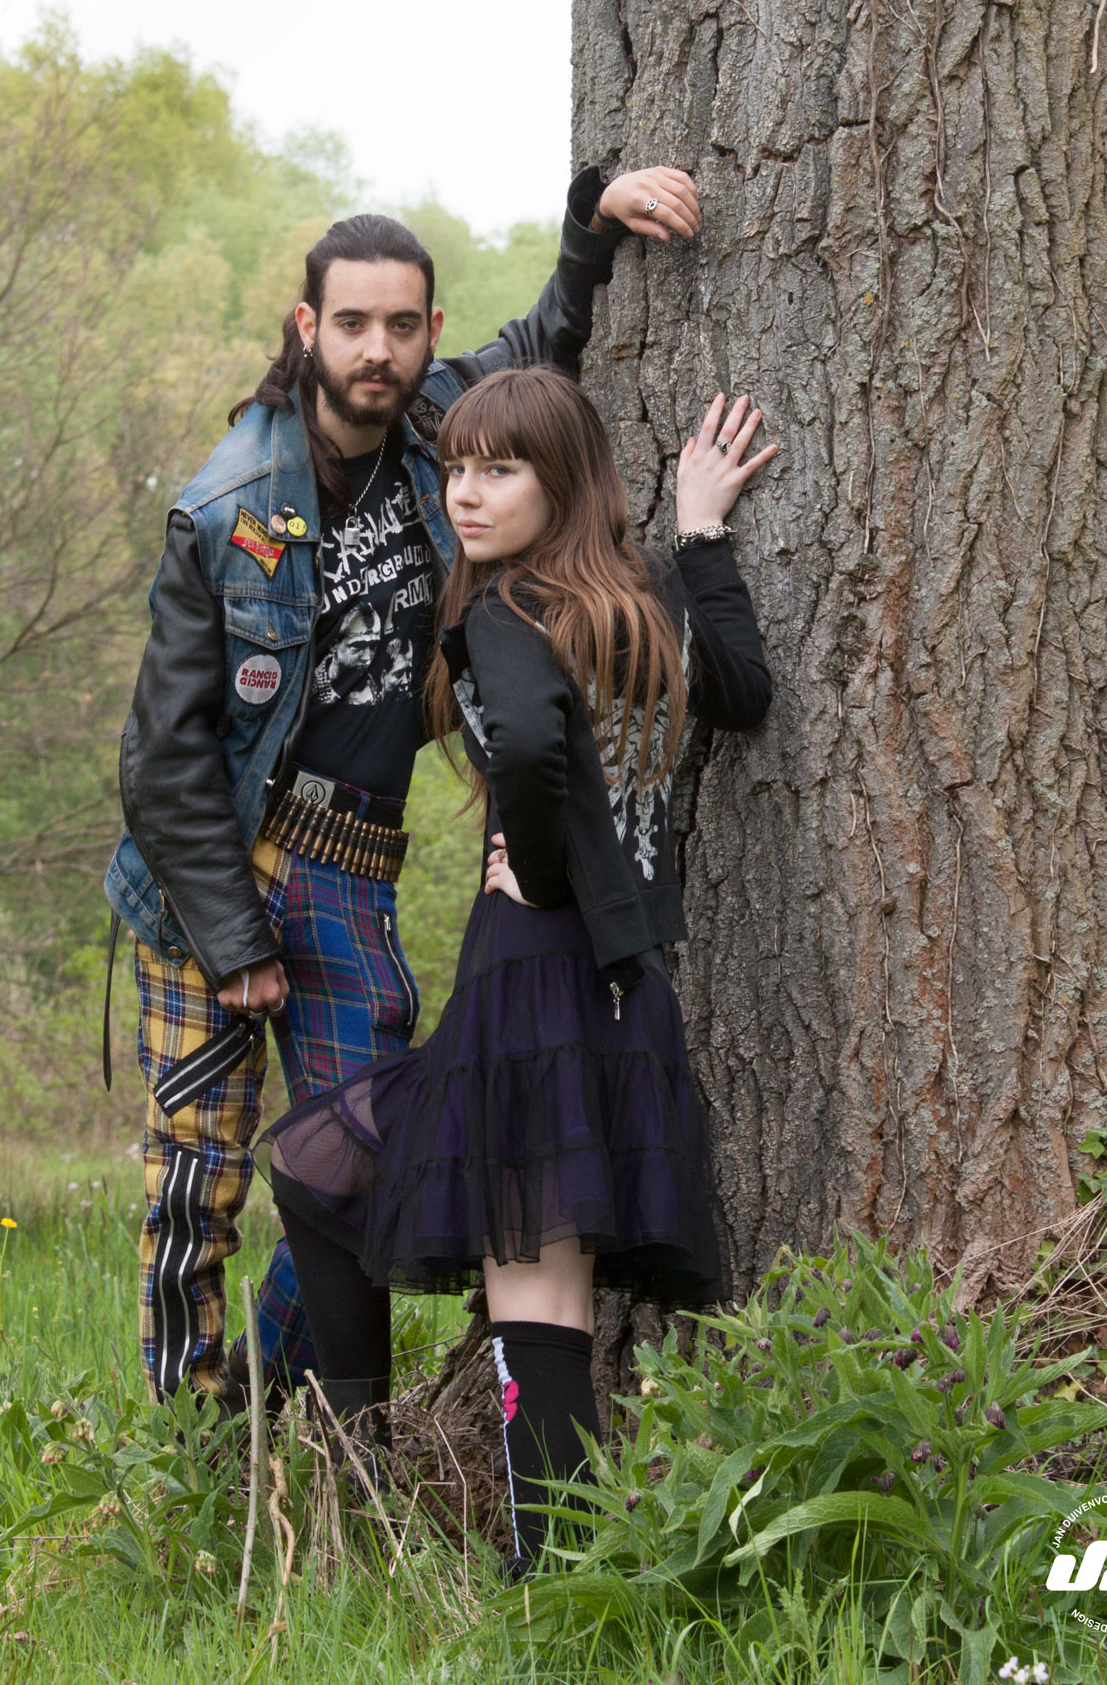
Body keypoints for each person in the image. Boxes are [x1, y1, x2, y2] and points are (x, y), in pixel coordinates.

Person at [103, 164, 703, 1408]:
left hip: (352, 862)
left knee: (361, 1161)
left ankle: (285, 1402)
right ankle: (190, 1433)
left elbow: (544, 348)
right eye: (351, 323)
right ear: (306, 328)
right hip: (211, 863)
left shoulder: (445, 428)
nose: (376, 350)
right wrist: (231, 937)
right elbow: (160, 752)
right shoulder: (225, 505)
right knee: (197, 1169)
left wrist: (591, 219)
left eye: (400, 325)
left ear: (428, 332)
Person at [261, 367, 775, 1567]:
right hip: (617, 982)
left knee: (500, 1273)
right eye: (456, 469)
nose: (466, 493)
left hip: (532, 970)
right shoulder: (637, 604)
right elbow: (744, 693)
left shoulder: (505, 613)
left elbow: (538, 745)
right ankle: (525, 1550)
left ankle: (452, 1522)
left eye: (500, 470)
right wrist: (700, 536)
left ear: (562, 482)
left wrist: (538, 874)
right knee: (504, 1270)